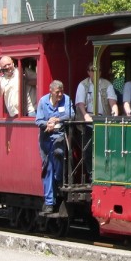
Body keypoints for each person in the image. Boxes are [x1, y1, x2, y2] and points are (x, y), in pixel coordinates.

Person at [34, 80, 73, 214]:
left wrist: (57, 119)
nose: (60, 94)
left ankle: (58, 181)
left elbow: (70, 114)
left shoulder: (66, 99)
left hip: (59, 136)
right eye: (58, 92)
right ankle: (49, 202)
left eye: (61, 91)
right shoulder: (43, 101)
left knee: (58, 153)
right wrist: (47, 124)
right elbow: (38, 120)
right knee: (47, 168)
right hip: (45, 138)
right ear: (51, 91)